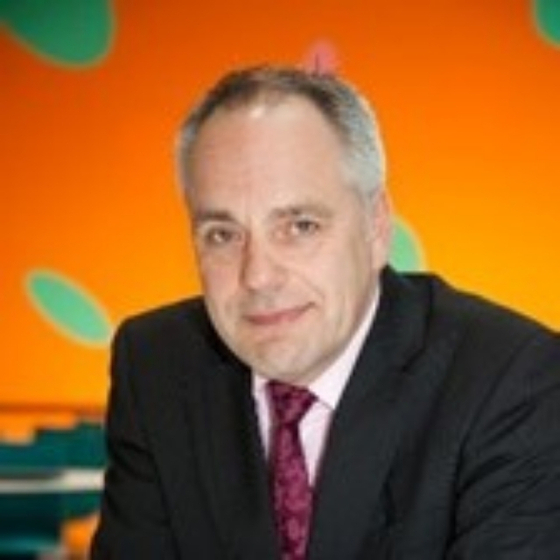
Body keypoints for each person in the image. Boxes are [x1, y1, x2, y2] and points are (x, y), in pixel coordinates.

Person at [90, 65, 560, 559]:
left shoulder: (511, 379)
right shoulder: (157, 363)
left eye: (300, 226)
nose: (258, 276)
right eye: (222, 235)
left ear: (376, 227)